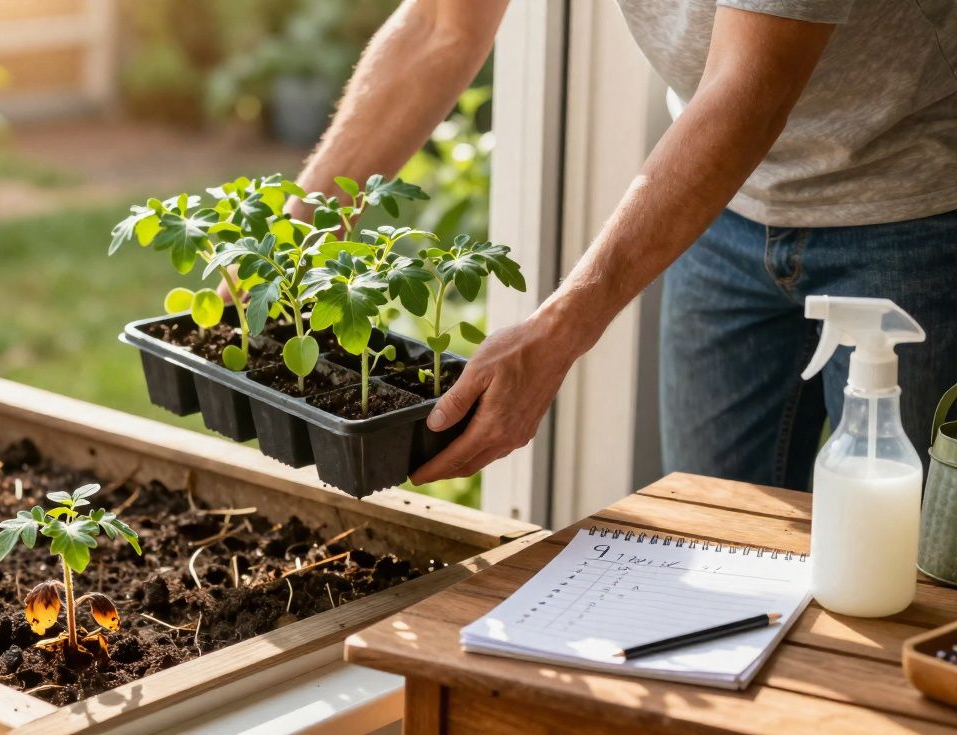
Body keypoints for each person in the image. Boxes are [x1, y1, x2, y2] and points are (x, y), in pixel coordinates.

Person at [225, 0, 957, 491]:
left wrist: (556, 331)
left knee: (915, 572)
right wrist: (291, 237)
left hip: (914, 208)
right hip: (723, 211)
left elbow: (751, 85)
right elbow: (441, 29)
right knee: (712, 543)